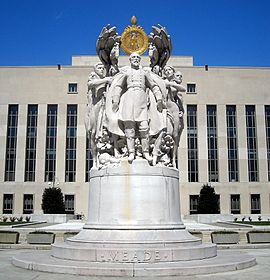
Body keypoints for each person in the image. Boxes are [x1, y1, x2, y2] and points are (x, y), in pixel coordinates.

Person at [110, 52, 163, 163]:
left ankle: (146, 152)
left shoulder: (144, 72)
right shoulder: (126, 72)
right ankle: (131, 152)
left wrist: (159, 99)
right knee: (129, 129)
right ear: (130, 59)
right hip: (129, 99)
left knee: (144, 128)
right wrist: (115, 100)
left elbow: (153, 85)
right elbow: (119, 86)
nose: (136, 59)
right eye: (133, 57)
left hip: (142, 100)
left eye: (138, 58)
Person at [85, 63, 112, 168]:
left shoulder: (106, 80)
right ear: (95, 70)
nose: (101, 69)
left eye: (102, 68)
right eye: (99, 68)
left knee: (102, 134)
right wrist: (106, 80)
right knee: (93, 134)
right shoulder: (94, 77)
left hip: (103, 108)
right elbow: (91, 84)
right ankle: (94, 159)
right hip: (93, 109)